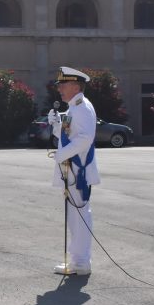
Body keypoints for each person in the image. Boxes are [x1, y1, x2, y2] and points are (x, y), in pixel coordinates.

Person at [49, 66, 100, 276]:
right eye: (59, 84)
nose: (60, 88)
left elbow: (85, 138)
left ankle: (82, 262)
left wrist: (62, 155)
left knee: (80, 215)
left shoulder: (82, 107)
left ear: (76, 86)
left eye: (63, 84)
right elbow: (67, 135)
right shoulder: (72, 108)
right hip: (71, 169)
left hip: (78, 169)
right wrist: (56, 124)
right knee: (74, 216)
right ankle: (77, 260)